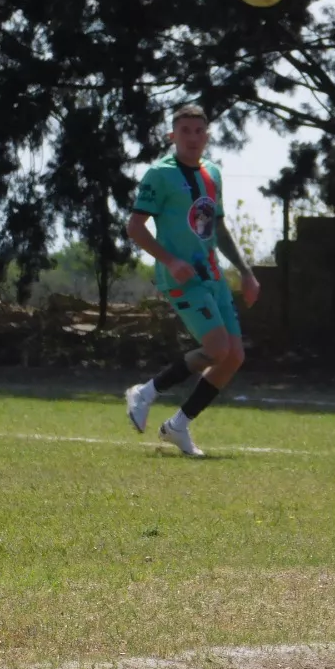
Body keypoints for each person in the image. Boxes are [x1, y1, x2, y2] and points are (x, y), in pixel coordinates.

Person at [123, 105, 260, 457]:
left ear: (207, 136)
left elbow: (218, 227)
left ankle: (178, 425)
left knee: (233, 356)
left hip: (212, 276)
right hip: (180, 278)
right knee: (217, 349)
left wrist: (246, 273)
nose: (192, 137)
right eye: (185, 131)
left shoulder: (212, 173)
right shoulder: (160, 174)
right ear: (172, 136)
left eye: (199, 131)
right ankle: (145, 392)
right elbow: (135, 227)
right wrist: (170, 260)